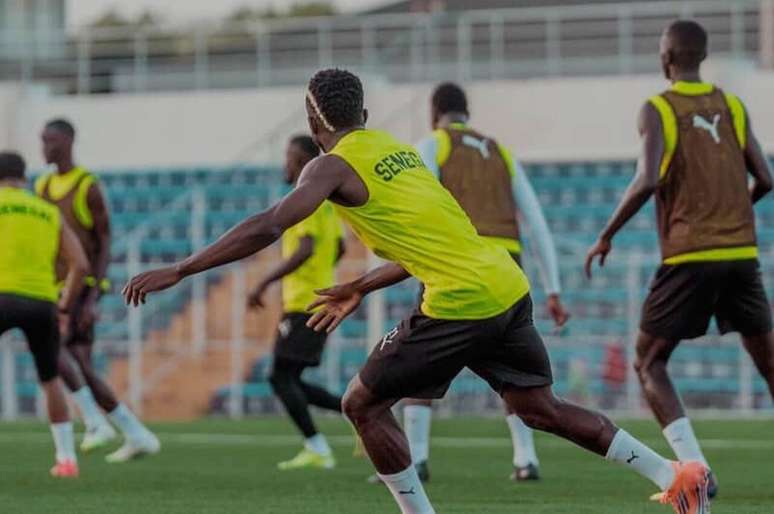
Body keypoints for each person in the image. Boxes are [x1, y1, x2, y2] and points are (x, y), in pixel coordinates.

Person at [123, 68, 710, 514]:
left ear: (312, 121)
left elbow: (272, 223)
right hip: (505, 284)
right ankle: (675, 476)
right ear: (364, 112)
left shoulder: (329, 166)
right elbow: (432, 243)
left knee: (361, 403)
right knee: (540, 409)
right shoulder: (399, 152)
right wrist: (359, 284)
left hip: (459, 301)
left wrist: (183, 268)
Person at [585, 20, 774, 502]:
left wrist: (606, 235)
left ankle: (697, 472)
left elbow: (648, 179)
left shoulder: (659, 108)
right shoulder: (732, 104)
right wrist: (732, 214)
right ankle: (698, 474)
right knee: (769, 362)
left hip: (691, 254)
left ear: (665, 58)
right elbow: (766, 178)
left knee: (649, 361)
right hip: (741, 252)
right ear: (702, 57)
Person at [386, 82, 569, 484]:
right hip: (506, 267)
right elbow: (536, 221)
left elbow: (419, 204)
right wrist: (553, 288)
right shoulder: (500, 152)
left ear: (434, 113)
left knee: (423, 357)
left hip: (457, 261)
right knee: (514, 367)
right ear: (467, 112)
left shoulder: (433, 144)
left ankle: (416, 458)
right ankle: (526, 459)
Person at [37, 119, 160, 462]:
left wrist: (94, 295)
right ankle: (135, 433)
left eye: (51, 140)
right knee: (81, 366)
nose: (45, 147)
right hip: (53, 287)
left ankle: (96, 422)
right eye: (42, 140)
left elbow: (104, 240)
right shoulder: (43, 185)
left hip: (81, 288)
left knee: (52, 348)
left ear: (69, 141)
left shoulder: (86, 185)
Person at [247, 134, 346, 470]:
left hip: (305, 303)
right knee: (290, 377)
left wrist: (264, 282)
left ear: (302, 161)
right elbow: (339, 248)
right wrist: (322, 274)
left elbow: (305, 248)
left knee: (280, 377)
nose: (285, 163)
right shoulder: (326, 203)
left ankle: (319, 446)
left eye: (289, 157)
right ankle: (357, 409)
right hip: (316, 300)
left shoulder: (304, 198)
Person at [0, 151, 89, 477]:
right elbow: (80, 264)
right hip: (41, 301)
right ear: (24, 178)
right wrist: (64, 306)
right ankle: (66, 459)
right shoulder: (48, 211)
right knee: (50, 378)